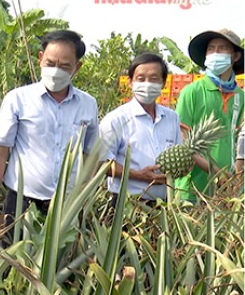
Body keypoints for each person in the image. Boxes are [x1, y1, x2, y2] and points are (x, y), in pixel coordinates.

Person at [0, 30, 99, 243]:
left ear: (77, 68)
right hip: (21, 204)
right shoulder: (17, 99)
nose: (56, 71)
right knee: (12, 268)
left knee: (61, 270)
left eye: (64, 66)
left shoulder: (88, 104)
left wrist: (83, 196)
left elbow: (90, 154)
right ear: (39, 59)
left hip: (67, 205)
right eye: (50, 63)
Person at [99, 53, 182, 204]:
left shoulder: (172, 118)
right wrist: (138, 175)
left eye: (154, 79)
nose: (147, 84)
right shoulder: (116, 120)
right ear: (130, 82)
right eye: (141, 79)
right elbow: (102, 164)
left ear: (163, 83)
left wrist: (180, 169)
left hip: (163, 205)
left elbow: (179, 155)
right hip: (125, 204)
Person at [175, 29, 244, 202]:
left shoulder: (240, 95)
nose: (215, 53)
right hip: (192, 188)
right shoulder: (191, 92)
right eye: (211, 49)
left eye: (222, 49)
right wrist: (216, 172)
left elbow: (236, 139)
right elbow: (183, 141)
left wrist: (234, 174)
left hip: (225, 189)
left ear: (235, 57)